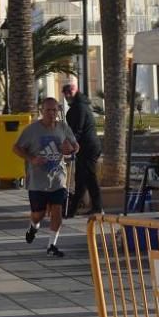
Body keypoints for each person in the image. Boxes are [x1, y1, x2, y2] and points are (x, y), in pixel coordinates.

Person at [13, 97, 78, 257]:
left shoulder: (63, 127)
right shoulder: (32, 130)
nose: (51, 113)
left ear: (58, 111)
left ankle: (52, 246)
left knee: (57, 211)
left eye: (54, 110)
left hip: (58, 179)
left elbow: (76, 145)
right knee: (38, 214)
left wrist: (71, 149)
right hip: (37, 181)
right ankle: (33, 227)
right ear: (42, 111)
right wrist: (32, 159)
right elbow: (16, 148)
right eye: (48, 110)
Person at [62, 80, 102, 217]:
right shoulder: (79, 106)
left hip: (88, 147)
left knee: (87, 178)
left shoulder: (79, 107)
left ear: (75, 91)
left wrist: (71, 145)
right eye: (66, 92)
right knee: (84, 179)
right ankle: (79, 209)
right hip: (85, 147)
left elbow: (77, 130)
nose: (67, 95)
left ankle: (88, 208)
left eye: (70, 91)